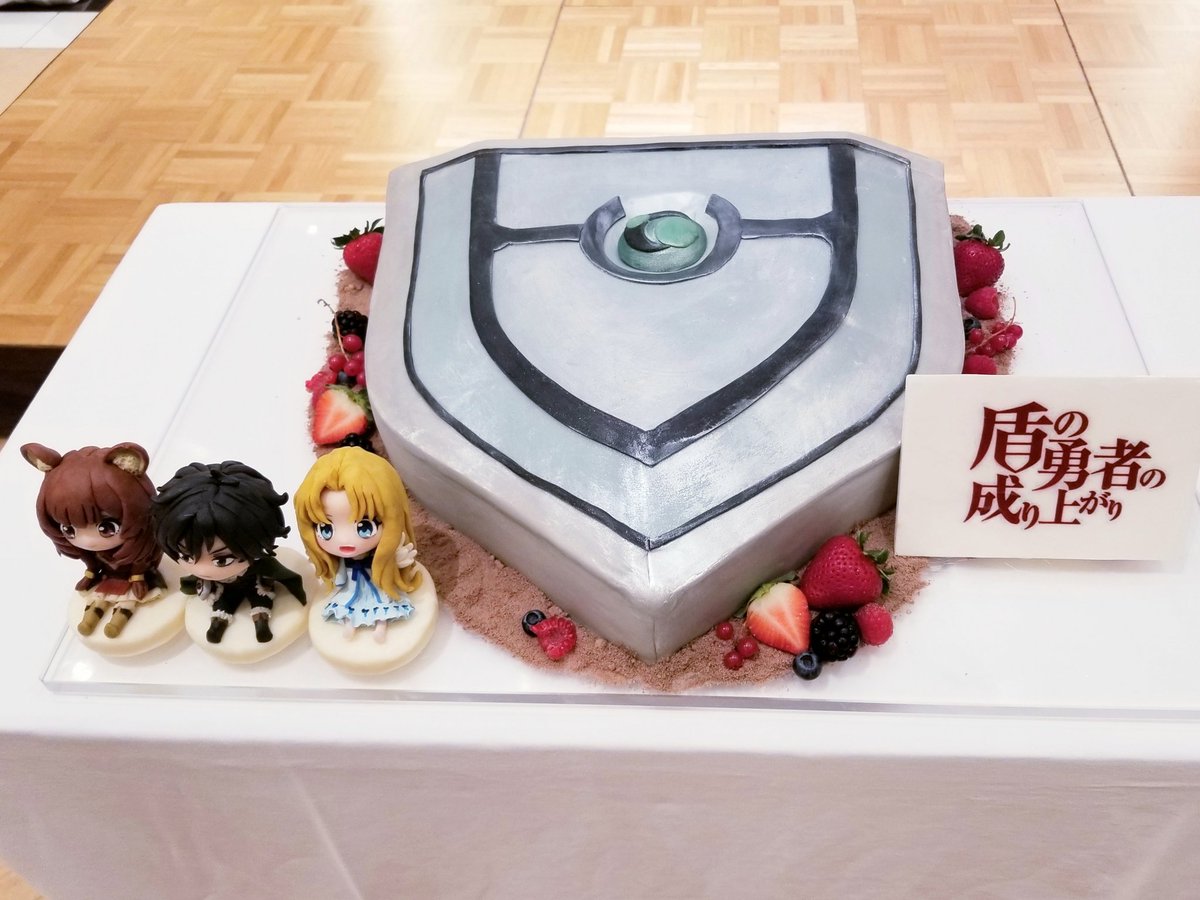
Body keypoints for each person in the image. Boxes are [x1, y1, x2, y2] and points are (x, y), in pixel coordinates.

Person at [152, 460, 306, 644]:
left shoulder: (259, 562)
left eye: (222, 560)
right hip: (223, 588)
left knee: (260, 598)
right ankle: (218, 624)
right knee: (223, 603)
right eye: (187, 556)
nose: (202, 570)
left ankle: (261, 623)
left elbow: (278, 572)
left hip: (253, 582)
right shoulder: (205, 574)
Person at [23, 442, 165, 638]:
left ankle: (118, 621)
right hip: (107, 577)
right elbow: (90, 560)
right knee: (98, 600)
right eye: (69, 529)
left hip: (133, 577)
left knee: (127, 602)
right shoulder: (90, 551)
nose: (88, 542)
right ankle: (89, 619)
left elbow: (141, 560)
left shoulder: (142, 544)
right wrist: (90, 573)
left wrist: (137, 577)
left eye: (106, 528)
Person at [294, 447, 422, 643]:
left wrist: (397, 561)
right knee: (348, 603)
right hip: (352, 585)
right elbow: (338, 578)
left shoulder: (383, 556)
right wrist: (336, 578)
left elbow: (396, 564)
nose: (344, 540)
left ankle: (381, 625)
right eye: (326, 529)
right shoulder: (341, 563)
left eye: (364, 527)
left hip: (377, 582)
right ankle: (349, 625)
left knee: (382, 602)